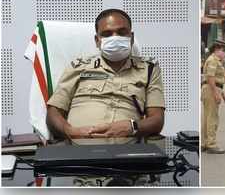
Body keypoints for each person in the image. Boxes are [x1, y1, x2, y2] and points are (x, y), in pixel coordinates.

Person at [46, 8, 165, 145]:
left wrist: (132, 127)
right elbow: (53, 111)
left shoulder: (149, 69)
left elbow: (157, 120)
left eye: (121, 32)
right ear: (97, 40)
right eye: (107, 34)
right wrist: (70, 131)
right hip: (76, 153)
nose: (114, 37)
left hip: (128, 156)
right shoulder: (78, 67)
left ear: (131, 38)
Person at [201, 39, 225, 154]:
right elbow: (211, 78)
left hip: (211, 89)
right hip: (211, 90)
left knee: (207, 118)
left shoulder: (215, 60)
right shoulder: (213, 60)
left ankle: (204, 143)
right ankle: (211, 144)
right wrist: (216, 93)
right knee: (212, 118)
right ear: (218, 49)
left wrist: (222, 94)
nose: (224, 53)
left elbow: (216, 81)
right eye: (223, 50)